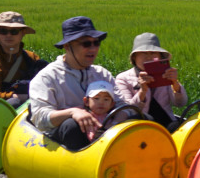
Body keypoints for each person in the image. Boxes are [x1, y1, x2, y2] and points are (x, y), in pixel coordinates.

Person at [28, 16, 133, 151]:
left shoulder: (102, 73)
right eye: (86, 44)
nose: (93, 48)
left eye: (96, 43)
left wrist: (111, 126)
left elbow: (122, 105)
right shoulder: (47, 77)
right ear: (67, 46)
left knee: (139, 117)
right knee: (72, 125)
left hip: (104, 131)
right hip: (61, 141)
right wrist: (73, 112)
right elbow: (41, 119)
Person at [114, 32, 187, 130]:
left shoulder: (166, 74)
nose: (148, 57)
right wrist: (142, 91)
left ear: (160, 57)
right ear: (134, 57)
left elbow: (180, 103)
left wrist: (175, 84)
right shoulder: (123, 78)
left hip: (168, 124)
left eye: (153, 53)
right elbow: (127, 111)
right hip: (139, 128)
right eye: (143, 53)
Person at [0, 11, 40, 107]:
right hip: (2, 110)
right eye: (3, 31)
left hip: (34, 106)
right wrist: (18, 96)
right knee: (14, 103)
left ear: (23, 33)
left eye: (14, 31)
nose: (8, 35)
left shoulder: (32, 58)